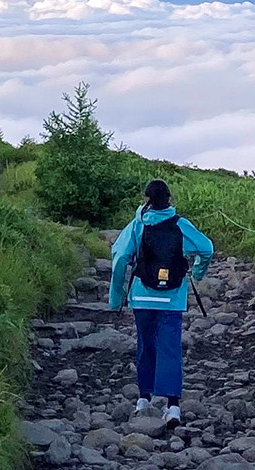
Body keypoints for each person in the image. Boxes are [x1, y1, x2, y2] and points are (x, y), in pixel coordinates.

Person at [107, 178, 215, 424]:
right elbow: (206, 248)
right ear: (169, 199)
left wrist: (116, 297)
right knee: (170, 348)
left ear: (146, 200)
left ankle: (143, 399)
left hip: (142, 296)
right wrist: (198, 273)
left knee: (146, 345)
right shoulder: (180, 224)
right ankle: (173, 406)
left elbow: (121, 258)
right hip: (172, 298)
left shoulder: (138, 225)